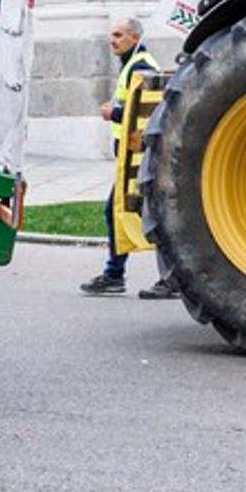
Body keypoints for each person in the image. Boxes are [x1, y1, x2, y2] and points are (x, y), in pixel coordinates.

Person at [82, 17, 166, 297]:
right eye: (112, 35)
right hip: (132, 157)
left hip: (139, 157)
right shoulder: (133, 65)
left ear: (134, 38)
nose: (112, 40)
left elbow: (145, 114)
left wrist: (113, 113)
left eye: (118, 35)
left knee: (149, 214)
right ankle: (117, 275)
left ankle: (122, 276)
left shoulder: (140, 66)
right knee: (135, 212)